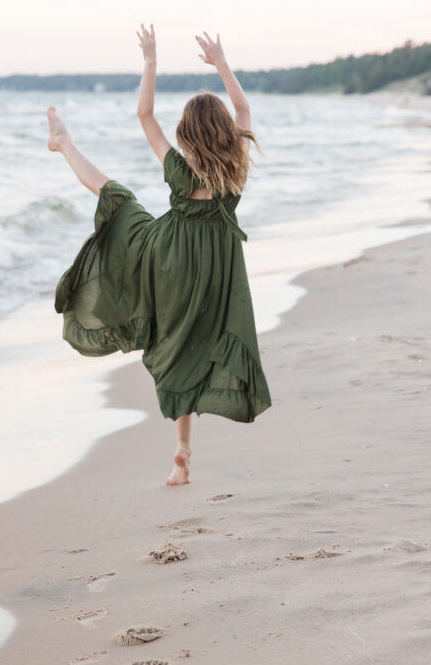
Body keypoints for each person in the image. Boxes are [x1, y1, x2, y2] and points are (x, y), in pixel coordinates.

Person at [47, 26, 271, 486]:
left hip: (166, 263)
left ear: (186, 134)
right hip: (216, 275)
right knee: (194, 346)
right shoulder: (235, 172)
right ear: (227, 132)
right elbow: (244, 108)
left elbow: (144, 114)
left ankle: (65, 145)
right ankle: (182, 451)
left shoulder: (180, 169)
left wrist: (150, 60)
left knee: (117, 197)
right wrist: (221, 62)